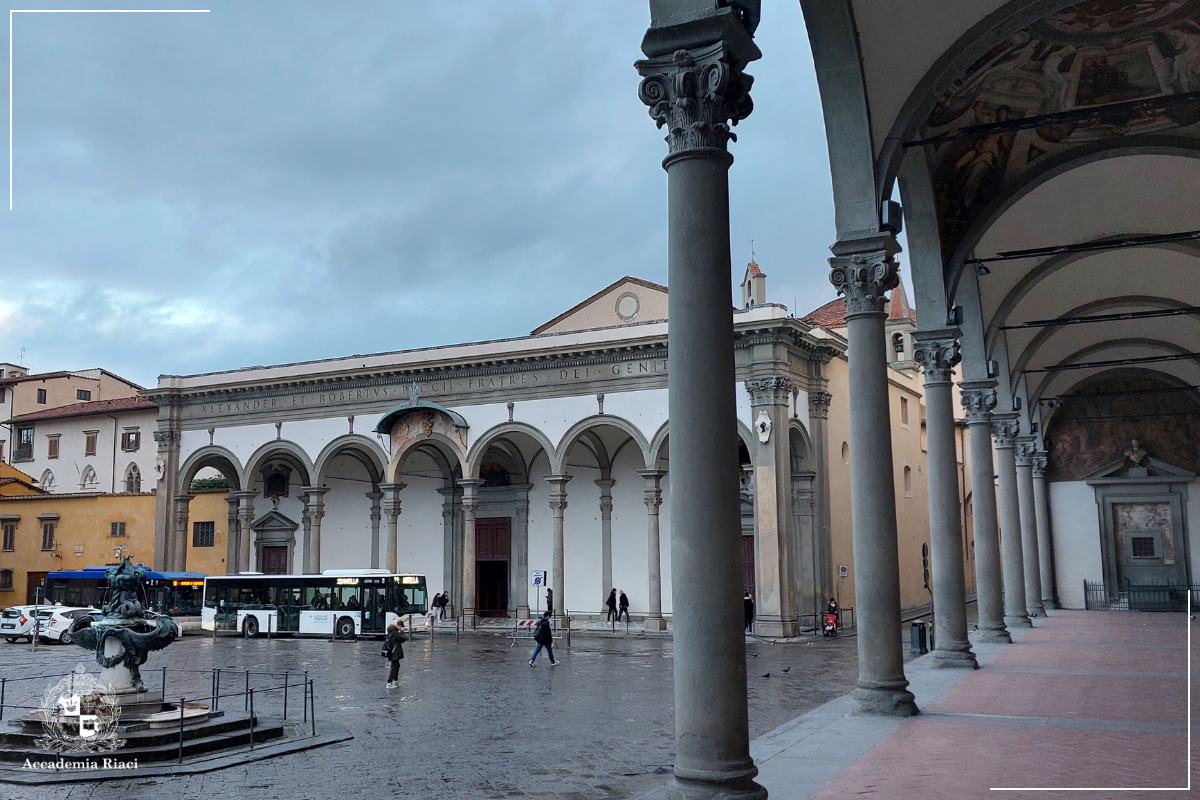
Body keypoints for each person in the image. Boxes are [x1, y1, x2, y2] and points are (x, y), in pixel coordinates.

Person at [383, 620, 406, 688]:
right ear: (400, 626)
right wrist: (402, 631)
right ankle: (389, 682)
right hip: (394, 652)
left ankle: (395, 681)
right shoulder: (395, 633)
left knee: (397, 665)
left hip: (391, 652)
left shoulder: (391, 632)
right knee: (394, 667)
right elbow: (403, 639)